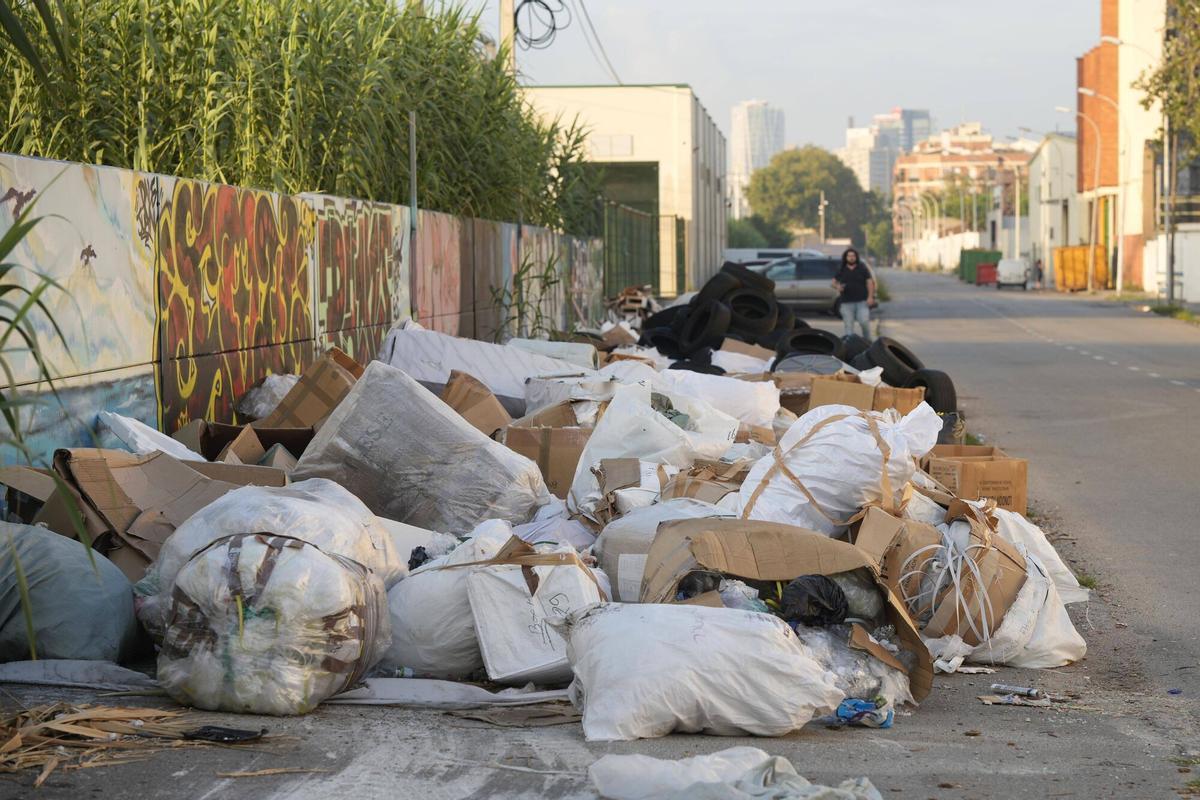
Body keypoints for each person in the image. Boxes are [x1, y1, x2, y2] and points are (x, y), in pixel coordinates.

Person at [831, 247, 875, 338]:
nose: (851, 257)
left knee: (864, 322)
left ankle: (868, 343)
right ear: (846, 257)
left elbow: (870, 282)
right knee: (848, 327)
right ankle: (850, 347)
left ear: (856, 257)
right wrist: (838, 287)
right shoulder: (841, 269)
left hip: (862, 301)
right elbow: (833, 282)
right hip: (846, 303)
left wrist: (870, 297)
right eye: (849, 256)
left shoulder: (862, 268)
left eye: (853, 256)